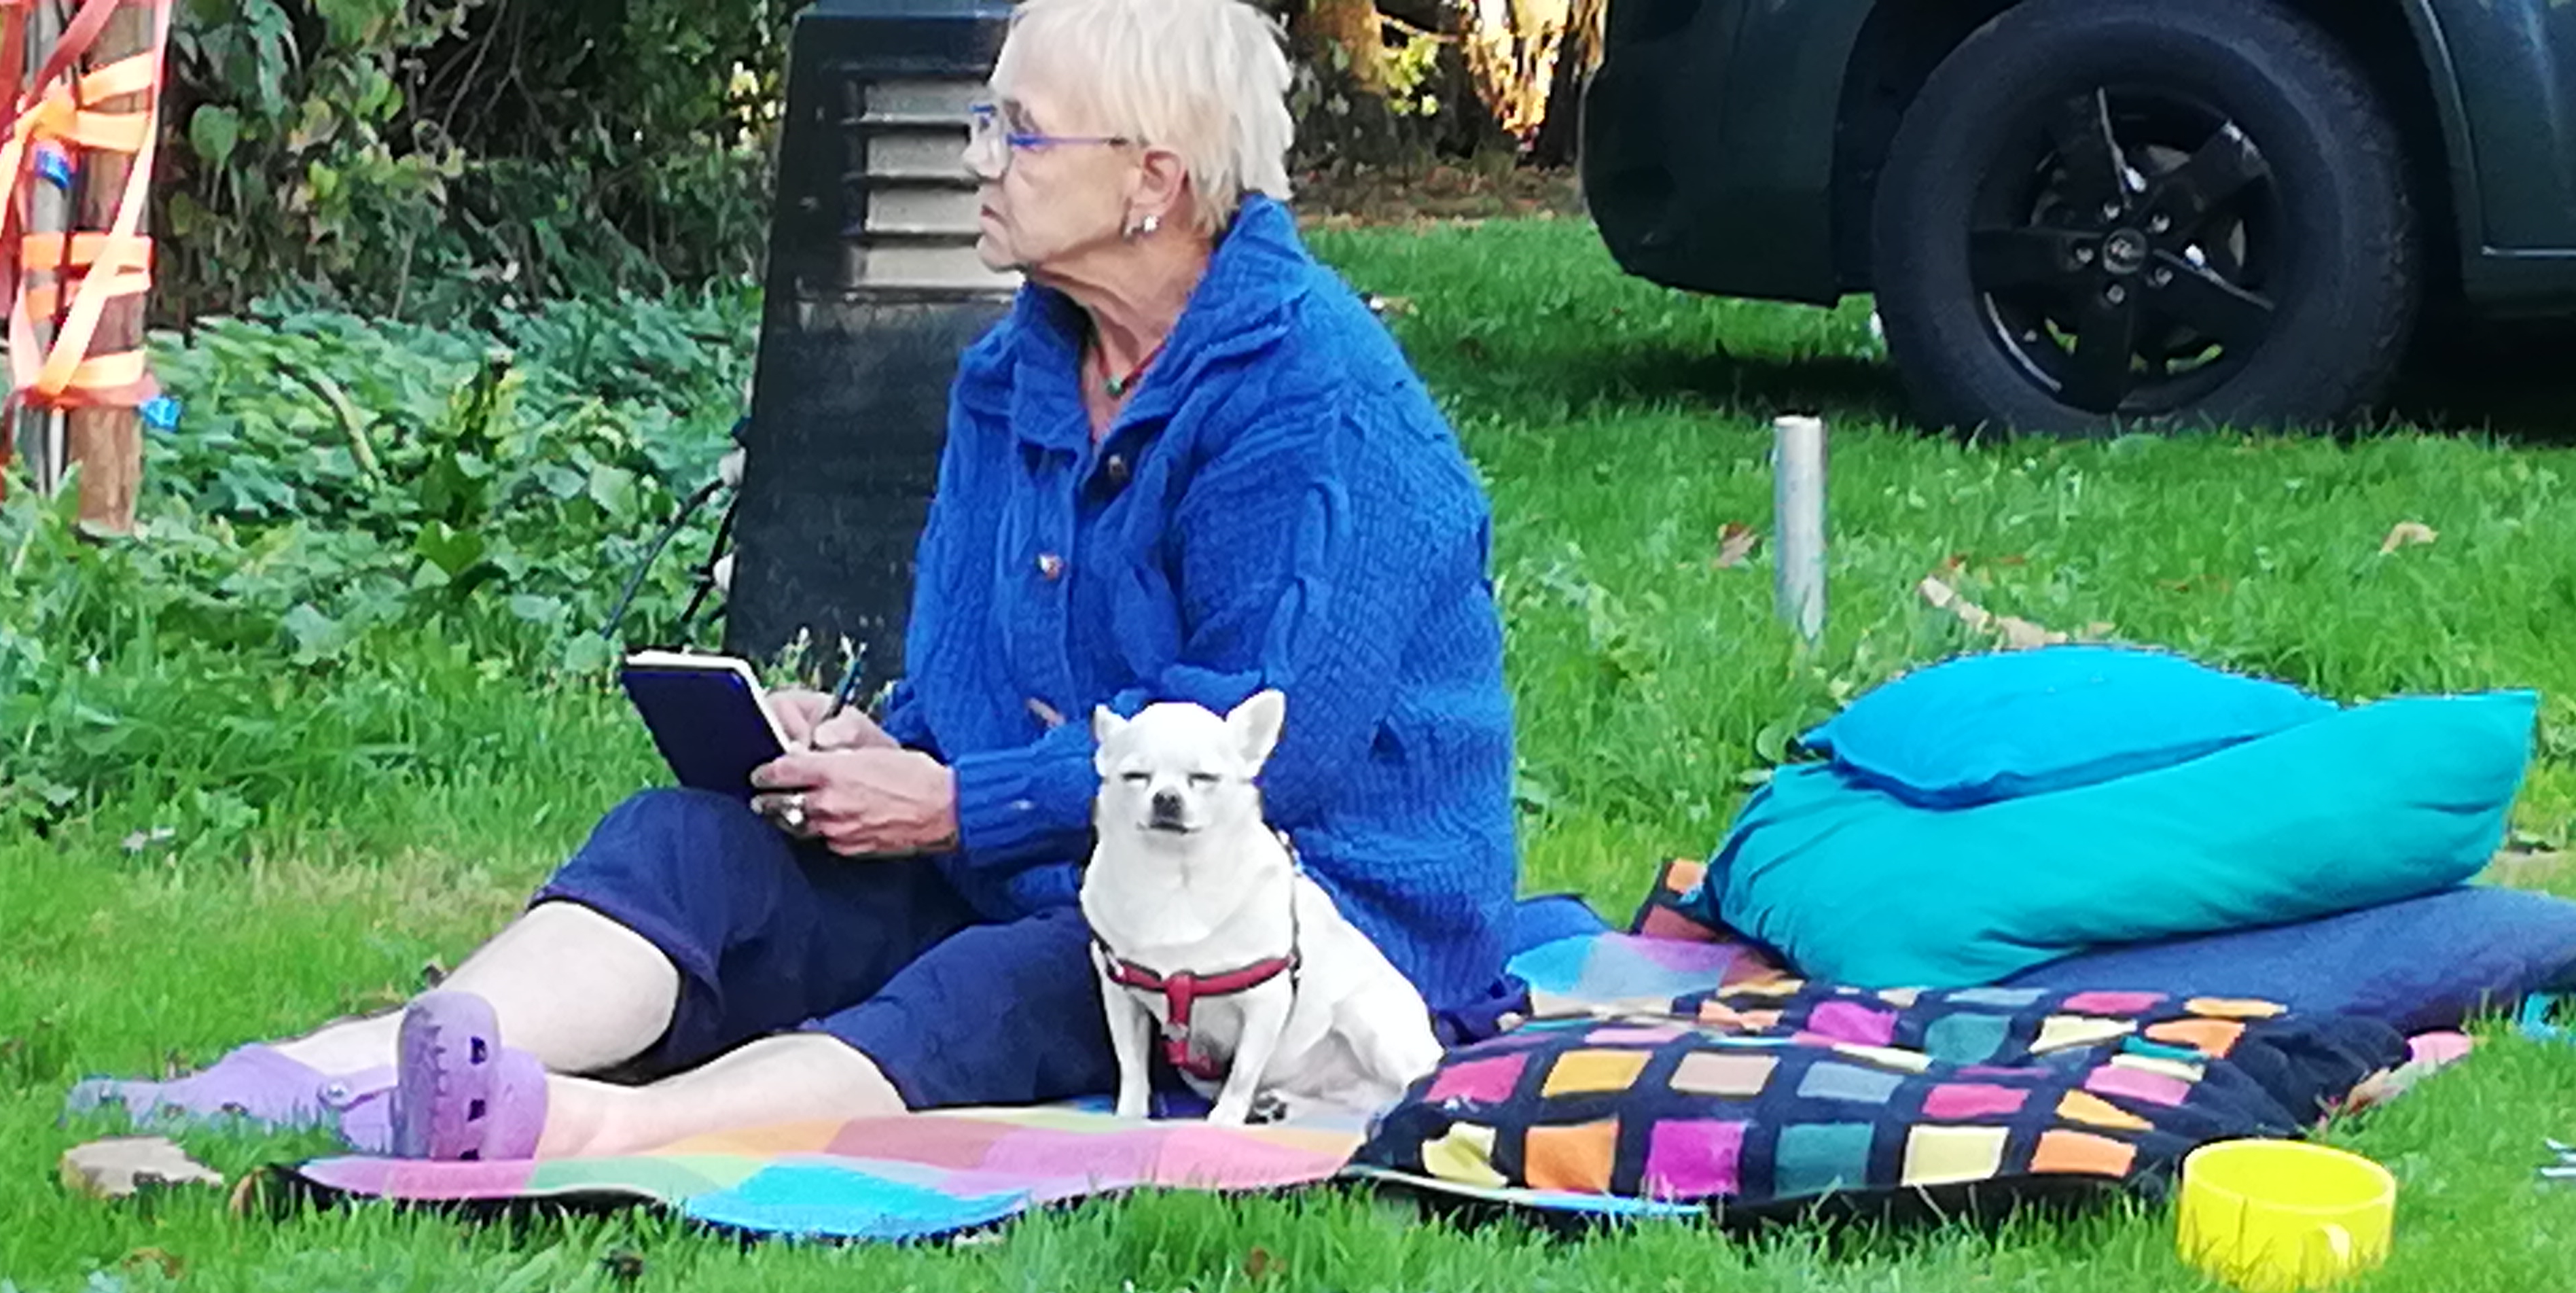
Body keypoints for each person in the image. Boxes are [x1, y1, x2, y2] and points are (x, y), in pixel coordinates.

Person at [75, 0, 1518, 1160]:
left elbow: (1271, 750)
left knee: (1010, 975)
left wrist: (956, 802)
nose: (978, 157)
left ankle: (583, 1130)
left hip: (1287, 920)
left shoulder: (1317, 406)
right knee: (691, 843)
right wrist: (873, 747)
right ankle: (335, 1073)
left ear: (1153, 179)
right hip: (1035, 856)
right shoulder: (1012, 372)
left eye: (1016, 131)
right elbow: (966, 676)